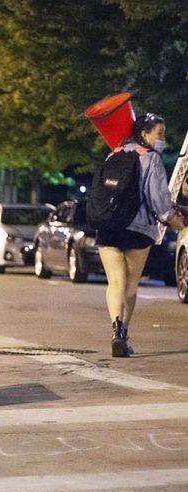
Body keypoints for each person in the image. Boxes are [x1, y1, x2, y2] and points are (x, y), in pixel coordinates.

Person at [96, 113, 186, 357]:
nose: (162, 139)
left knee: (115, 282)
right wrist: (172, 219)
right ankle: (124, 332)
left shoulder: (113, 154)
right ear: (145, 134)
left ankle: (115, 330)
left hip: (107, 227)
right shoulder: (151, 159)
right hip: (137, 229)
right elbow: (158, 200)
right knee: (131, 285)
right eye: (159, 133)